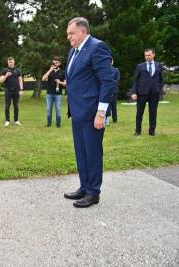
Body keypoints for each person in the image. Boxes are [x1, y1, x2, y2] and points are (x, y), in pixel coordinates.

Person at [63, 17, 115, 208]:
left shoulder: (97, 47)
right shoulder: (73, 51)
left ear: (83, 31)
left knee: (92, 153)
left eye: (71, 33)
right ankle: (84, 186)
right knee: (81, 153)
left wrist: (101, 113)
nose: (68, 37)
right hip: (77, 112)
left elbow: (107, 81)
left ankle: (93, 193)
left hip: (92, 113)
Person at [131, 48, 163, 136]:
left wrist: (160, 91)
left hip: (154, 94)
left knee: (153, 113)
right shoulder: (140, 66)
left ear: (153, 55)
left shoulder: (159, 65)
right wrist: (134, 92)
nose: (147, 57)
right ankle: (138, 131)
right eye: (145, 55)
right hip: (142, 93)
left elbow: (161, 80)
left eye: (149, 55)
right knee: (139, 113)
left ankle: (152, 131)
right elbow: (135, 81)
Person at [42, 56, 66, 127]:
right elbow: (43, 78)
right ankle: (49, 125)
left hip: (58, 94)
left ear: (60, 63)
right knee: (49, 110)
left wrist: (60, 82)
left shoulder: (62, 72)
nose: (55, 63)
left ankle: (58, 125)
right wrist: (50, 70)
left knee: (58, 110)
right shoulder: (50, 71)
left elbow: (66, 84)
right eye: (54, 62)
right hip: (49, 94)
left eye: (57, 62)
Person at [0, 57, 24, 126]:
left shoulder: (17, 70)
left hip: (16, 90)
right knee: (7, 105)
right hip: (8, 90)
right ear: (8, 62)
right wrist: (6, 76)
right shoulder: (5, 70)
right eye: (9, 62)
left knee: (16, 105)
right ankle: (7, 121)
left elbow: (20, 80)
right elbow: (1, 80)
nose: (10, 63)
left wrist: (21, 90)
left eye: (11, 62)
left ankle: (16, 120)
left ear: (14, 62)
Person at [106, 59, 121, 125]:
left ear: (112, 62)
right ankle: (107, 118)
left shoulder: (116, 70)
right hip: (105, 90)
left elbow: (117, 80)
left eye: (110, 61)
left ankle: (115, 119)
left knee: (113, 105)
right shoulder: (104, 70)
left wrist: (110, 84)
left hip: (114, 90)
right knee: (107, 104)